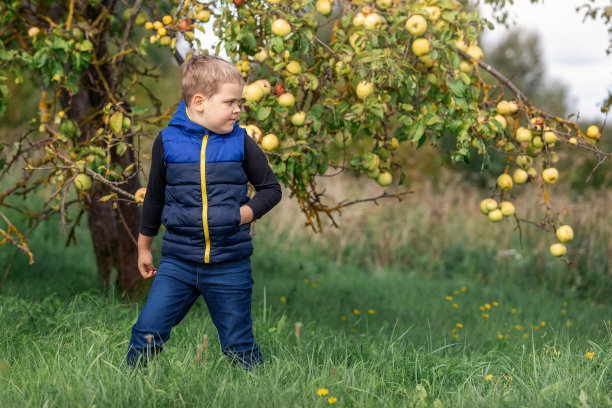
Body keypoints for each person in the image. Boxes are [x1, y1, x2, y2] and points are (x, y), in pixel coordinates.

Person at [125, 54, 282, 369]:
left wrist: (242, 215)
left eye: (239, 102)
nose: (238, 109)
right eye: (230, 102)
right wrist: (143, 247)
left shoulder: (241, 141)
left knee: (239, 346)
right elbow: (154, 197)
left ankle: (262, 393)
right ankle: (128, 388)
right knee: (146, 334)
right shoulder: (167, 142)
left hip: (229, 265)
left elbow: (271, 190)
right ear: (199, 102)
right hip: (178, 263)